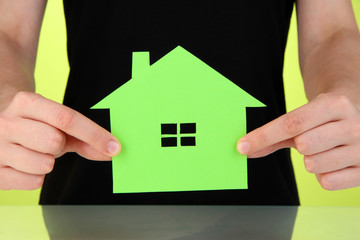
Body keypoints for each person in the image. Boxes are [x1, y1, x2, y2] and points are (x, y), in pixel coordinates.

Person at [0, 0, 359, 205]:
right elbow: (9, 31)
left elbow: (331, 30)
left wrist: (349, 92)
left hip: (260, 208)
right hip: (84, 206)